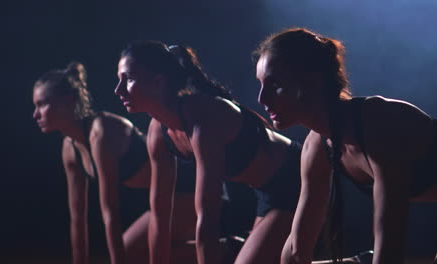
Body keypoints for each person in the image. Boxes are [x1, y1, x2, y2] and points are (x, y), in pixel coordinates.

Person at [254, 27, 437, 264]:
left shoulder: (377, 124)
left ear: (312, 79)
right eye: (260, 84)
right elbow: (297, 250)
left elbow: (390, 245)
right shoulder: (316, 147)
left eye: (274, 84)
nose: (262, 99)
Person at [115, 41, 302, 264]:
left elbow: (208, 219)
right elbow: (160, 217)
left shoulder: (203, 119)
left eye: (130, 78)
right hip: (263, 191)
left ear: (158, 81)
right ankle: (235, 248)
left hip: (296, 180)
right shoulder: (157, 131)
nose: (118, 90)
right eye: (119, 79)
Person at [32, 62, 197, 264]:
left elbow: (110, 210)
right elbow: (78, 219)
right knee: (137, 254)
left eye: (42, 104)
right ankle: (225, 246)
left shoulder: (101, 131)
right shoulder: (69, 148)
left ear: (67, 101)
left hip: (190, 188)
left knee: (129, 255)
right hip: (168, 196)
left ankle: (228, 247)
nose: (36, 114)